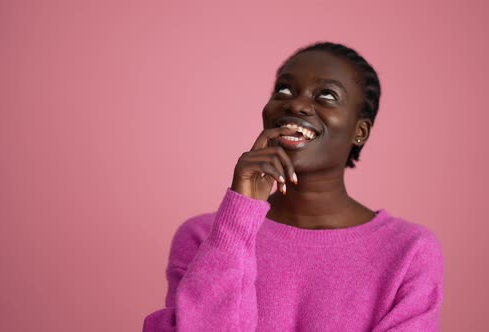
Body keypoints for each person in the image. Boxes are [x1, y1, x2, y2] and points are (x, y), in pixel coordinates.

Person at [142, 42, 444, 331]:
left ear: (360, 131)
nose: (296, 104)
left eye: (326, 95)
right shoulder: (203, 236)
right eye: (284, 90)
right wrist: (240, 214)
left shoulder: (410, 251)